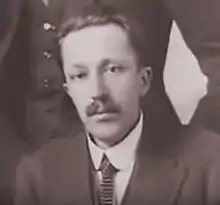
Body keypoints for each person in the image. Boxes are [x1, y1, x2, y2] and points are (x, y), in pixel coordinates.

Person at [15, 4, 220, 205]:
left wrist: (194, 158)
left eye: (113, 69)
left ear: (144, 79)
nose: (97, 92)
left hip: (157, 166)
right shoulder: (34, 173)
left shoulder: (206, 164)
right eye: (80, 75)